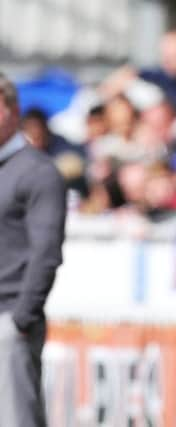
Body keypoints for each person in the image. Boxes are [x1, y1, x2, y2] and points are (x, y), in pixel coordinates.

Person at [0, 73, 67, 426]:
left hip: (9, 317)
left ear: (12, 111)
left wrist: (20, 319)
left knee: (16, 419)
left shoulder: (38, 171)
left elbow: (46, 252)